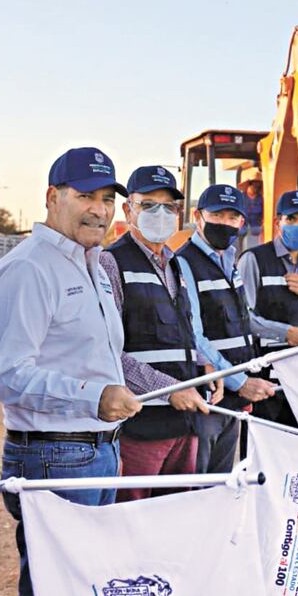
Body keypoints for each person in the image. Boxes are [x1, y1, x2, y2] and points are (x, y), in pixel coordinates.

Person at [0, 147, 142, 596]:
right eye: (85, 196)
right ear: (53, 197)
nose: (99, 209)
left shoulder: (93, 266)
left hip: (98, 451)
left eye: (107, 199)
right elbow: (9, 374)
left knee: (85, 594)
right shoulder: (29, 269)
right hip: (55, 457)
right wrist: (94, 397)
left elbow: (102, 356)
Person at [99, 165, 210, 501]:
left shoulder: (176, 264)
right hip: (140, 427)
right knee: (132, 516)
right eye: (149, 205)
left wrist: (203, 364)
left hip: (184, 422)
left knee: (175, 515)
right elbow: (107, 352)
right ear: (128, 209)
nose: (160, 215)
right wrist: (168, 390)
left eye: (169, 207)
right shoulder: (111, 263)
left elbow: (182, 331)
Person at [175, 184, 276, 473]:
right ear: (198, 217)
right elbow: (194, 335)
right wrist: (239, 381)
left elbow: (244, 320)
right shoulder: (184, 263)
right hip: (208, 397)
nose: (225, 223)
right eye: (217, 215)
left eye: (233, 217)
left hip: (234, 398)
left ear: (242, 222)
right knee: (199, 483)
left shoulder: (230, 262)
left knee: (224, 482)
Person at [237, 190, 298, 427]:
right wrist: (287, 333)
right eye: (291, 219)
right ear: (278, 222)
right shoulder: (254, 259)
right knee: (263, 438)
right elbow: (243, 319)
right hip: (263, 370)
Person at [237, 167, 263, 252]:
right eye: (253, 185)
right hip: (243, 225)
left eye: (257, 186)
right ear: (248, 185)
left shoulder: (261, 199)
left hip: (257, 226)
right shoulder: (241, 197)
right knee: (239, 232)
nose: (255, 188)